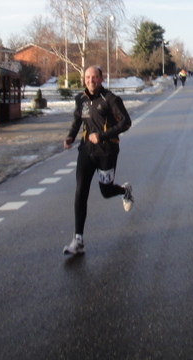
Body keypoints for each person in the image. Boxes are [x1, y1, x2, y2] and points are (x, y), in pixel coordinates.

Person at [62, 65, 134, 255]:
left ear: (101, 79)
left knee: (106, 190)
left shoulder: (110, 99)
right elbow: (78, 120)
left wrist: (102, 136)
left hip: (107, 151)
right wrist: (70, 136)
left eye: (94, 77)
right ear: (84, 79)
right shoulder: (81, 99)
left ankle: (124, 190)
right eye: (87, 77)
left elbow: (126, 122)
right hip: (86, 150)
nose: (90, 80)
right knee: (80, 191)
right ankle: (78, 240)